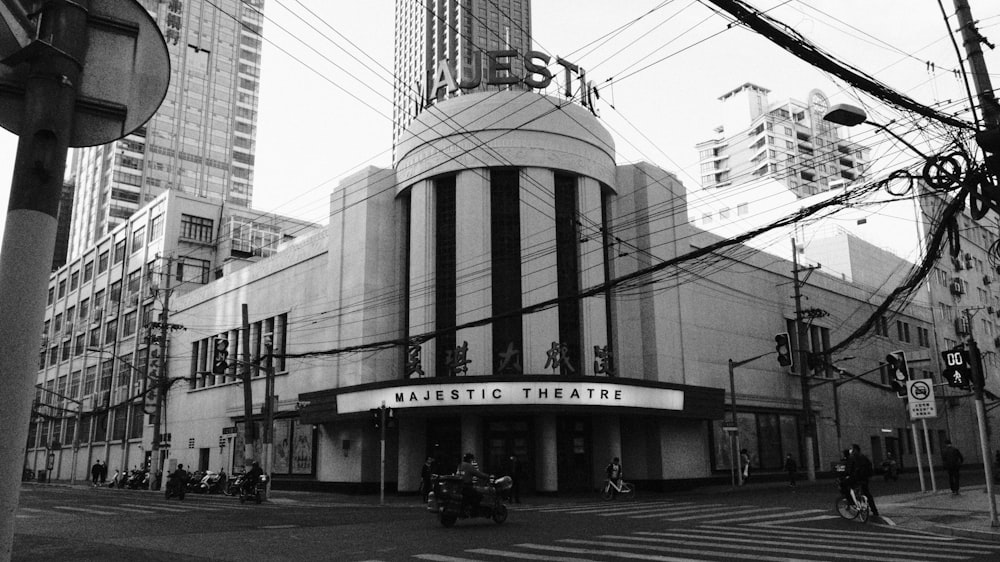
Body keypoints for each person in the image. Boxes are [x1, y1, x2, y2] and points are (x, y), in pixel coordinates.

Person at [842, 444, 879, 518]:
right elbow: (870, 466)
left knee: (844, 485)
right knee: (867, 493)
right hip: (864, 478)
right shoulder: (864, 457)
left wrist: (845, 476)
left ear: (854, 450)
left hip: (856, 478)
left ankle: (851, 502)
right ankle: (874, 510)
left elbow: (848, 469)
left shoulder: (852, 457)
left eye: (851, 449)